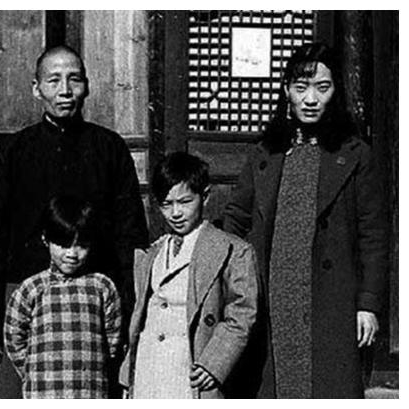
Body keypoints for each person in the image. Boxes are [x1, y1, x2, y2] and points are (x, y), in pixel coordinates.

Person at [0, 45, 149, 398]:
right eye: (53, 81)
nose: (65, 90)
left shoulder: (109, 147)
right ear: (36, 89)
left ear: (87, 86)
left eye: (74, 80)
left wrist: (130, 306)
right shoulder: (15, 150)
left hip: (93, 300)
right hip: (28, 296)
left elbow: (130, 233)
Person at [222, 42, 388, 398]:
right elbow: (235, 220)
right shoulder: (265, 153)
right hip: (273, 291)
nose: (311, 99)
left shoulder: (355, 155)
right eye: (301, 88)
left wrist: (368, 304)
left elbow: (373, 236)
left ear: (335, 92)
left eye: (322, 88)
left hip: (331, 297)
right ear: (287, 91)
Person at [120, 152, 258, 399]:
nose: (176, 213)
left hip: (190, 370)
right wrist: (127, 376)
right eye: (166, 204)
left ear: (205, 196)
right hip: (148, 369)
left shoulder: (232, 250)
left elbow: (242, 313)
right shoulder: (152, 252)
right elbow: (142, 315)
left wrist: (214, 363)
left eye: (184, 202)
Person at [4, 196, 122, 398]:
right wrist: (35, 370)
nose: (72, 254)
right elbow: (14, 337)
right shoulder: (32, 288)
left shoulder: (102, 286)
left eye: (81, 245)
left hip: (90, 390)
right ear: (46, 240)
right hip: (44, 390)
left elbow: (113, 338)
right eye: (64, 245)